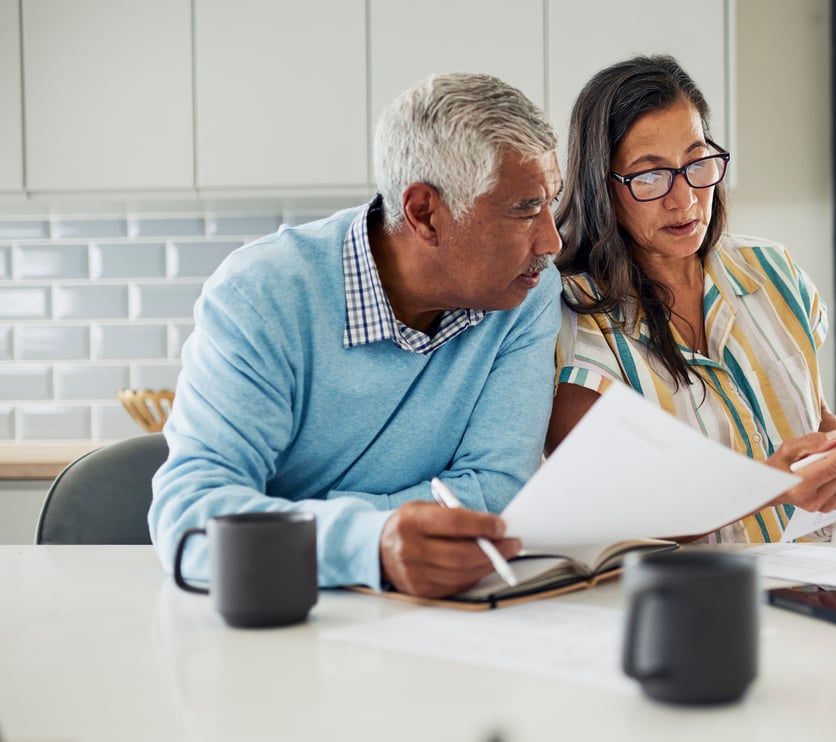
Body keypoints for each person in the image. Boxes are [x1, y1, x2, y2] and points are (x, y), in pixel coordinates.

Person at [151, 73, 563, 598]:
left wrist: (305, 528)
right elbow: (192, 518)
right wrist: (371, 544)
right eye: (525, 209)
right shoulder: (261, 295)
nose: (550, 239)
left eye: (552, 202)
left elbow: (496, 494)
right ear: (425, 214)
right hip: (280, 614)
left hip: (436, 619)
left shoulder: (527, 292)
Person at [548, 56, 836, 543]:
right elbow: (614, 512)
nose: (685, 200)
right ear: (601, 185)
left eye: (697, 163)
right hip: (703, 599)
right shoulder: (569, 323)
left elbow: (808, 416)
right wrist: (769, 487)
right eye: (650, 177)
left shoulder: (772, 270)